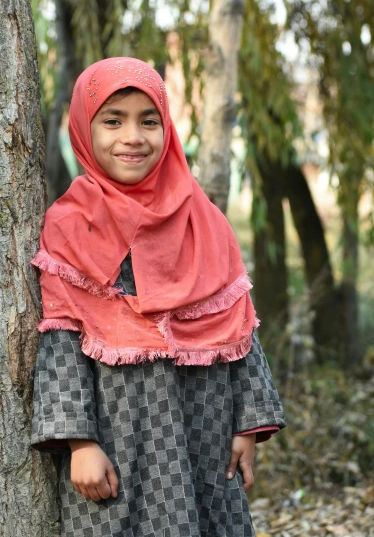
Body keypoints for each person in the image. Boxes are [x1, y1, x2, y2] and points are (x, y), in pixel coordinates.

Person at [30, 57, 286, 537]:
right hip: (120, 439)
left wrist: (249, 425)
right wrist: (79, 442)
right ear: (85, 130)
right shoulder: (70, 224)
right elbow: (61, 335)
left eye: (149, 121)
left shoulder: (202, 218)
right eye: (113, 120)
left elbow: (239, 322)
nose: (133, 136)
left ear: (167, 128)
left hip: (204, 434)